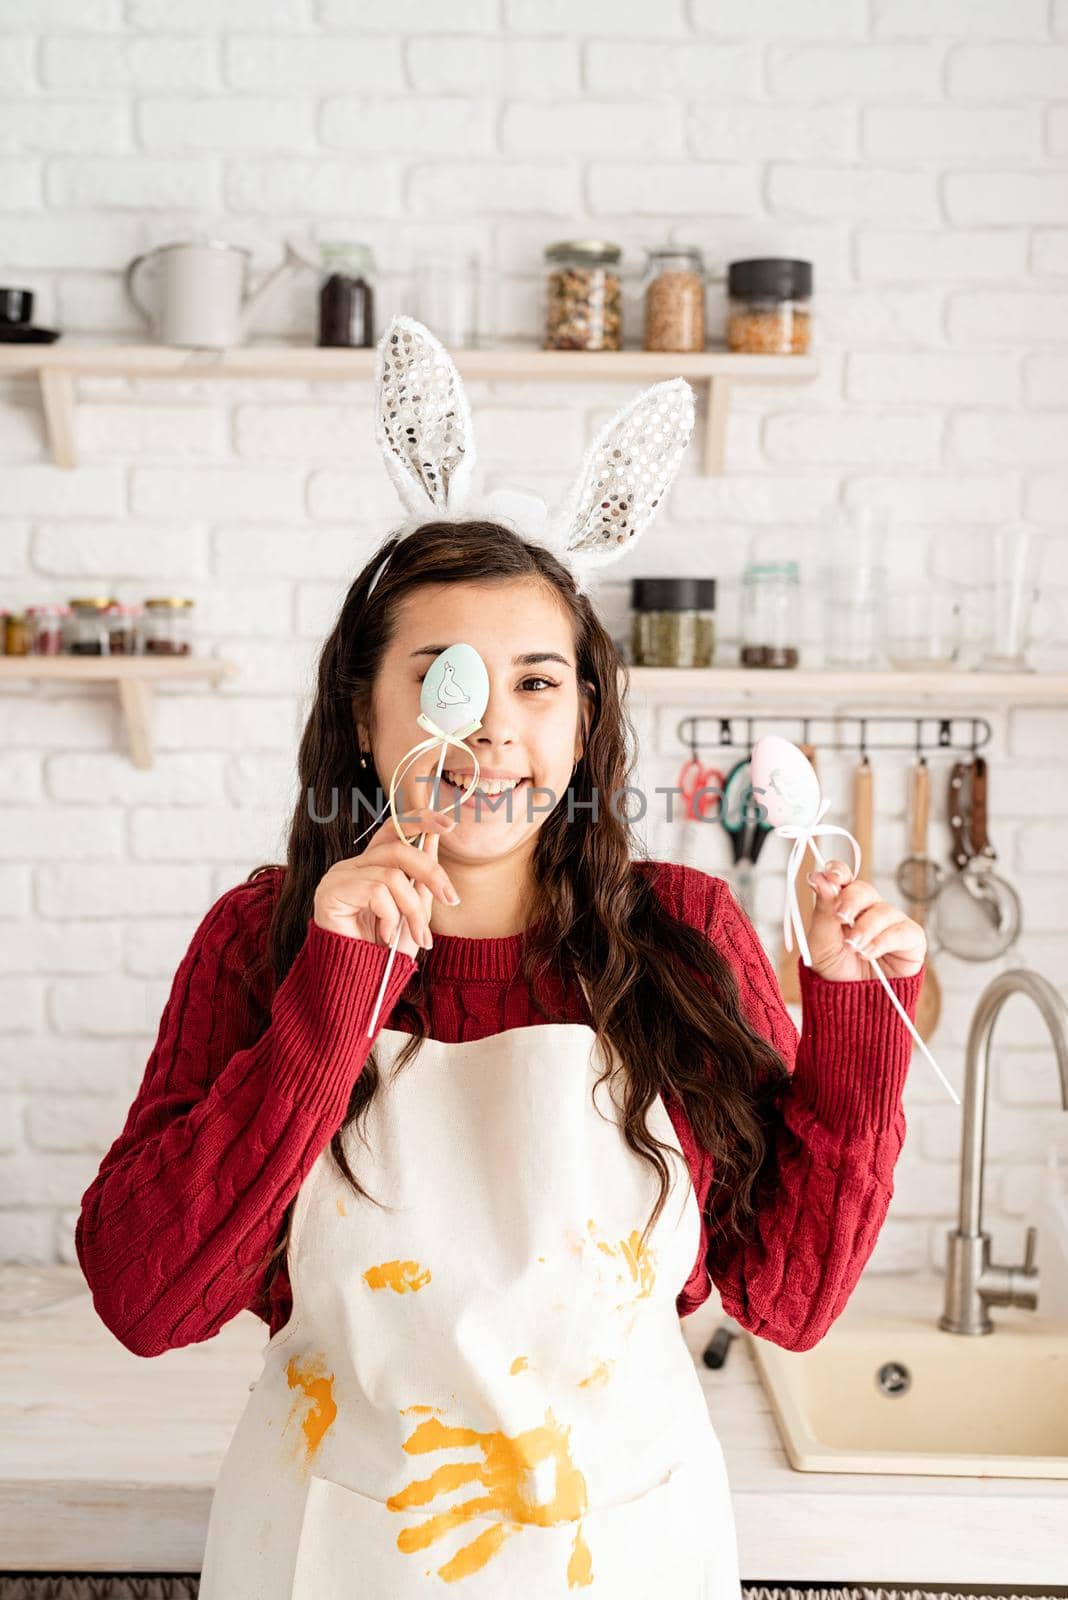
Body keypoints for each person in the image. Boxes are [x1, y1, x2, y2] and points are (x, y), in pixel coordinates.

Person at [76, 321, 925, 1599]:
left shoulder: (684, 931)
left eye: (539, 683)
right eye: (445, 678)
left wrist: (855, 1015)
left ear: (585, 720)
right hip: (337, 1548)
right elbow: (149, 1299)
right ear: (365, 716)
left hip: (622, 1549)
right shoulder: (263, 940)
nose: (495, 735)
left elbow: (787, 1297)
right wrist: (330, 993)